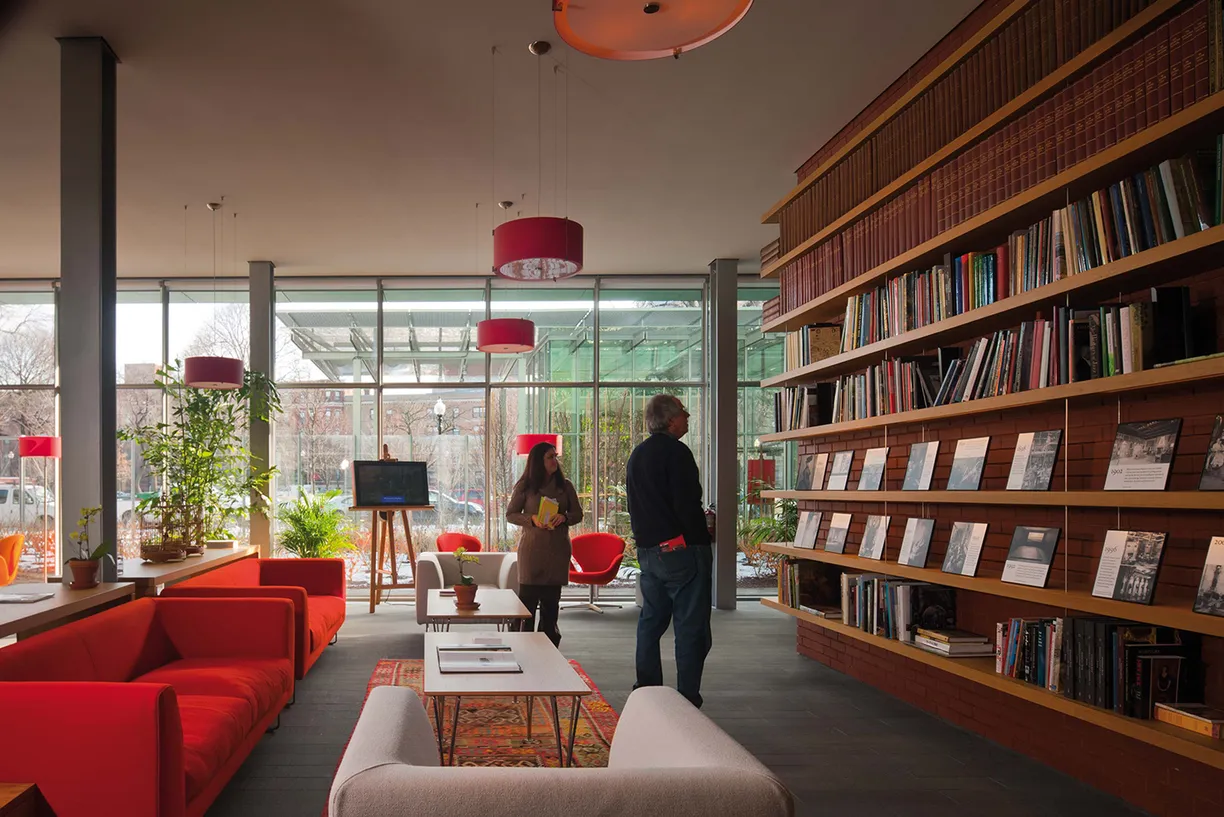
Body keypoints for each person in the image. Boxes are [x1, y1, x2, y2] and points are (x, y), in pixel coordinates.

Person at [626, 394, 712, 708]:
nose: (687, 419)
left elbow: (634, 505)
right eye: (684, 415)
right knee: (691, 629)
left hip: (649, 553)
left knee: (651, 622)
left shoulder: (638, 455)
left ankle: (646, 690)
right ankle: (687, 700)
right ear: (671, 419)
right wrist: (701, 536)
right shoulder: (677, 454)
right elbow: (687, 504)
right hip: (682, 552)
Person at [505, 441, 582, 647]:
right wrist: (531, 519)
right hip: (532, 552)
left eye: (555, 456)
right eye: (550, 457)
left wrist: (564, 518)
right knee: (526, 607)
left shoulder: (565, 486)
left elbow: (578, 514)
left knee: (551, 607)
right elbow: (511, 514)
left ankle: (548, 653)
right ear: (538, 461)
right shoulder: (525, 487)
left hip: (557, 552)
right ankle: (522, 649)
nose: (554, 461)